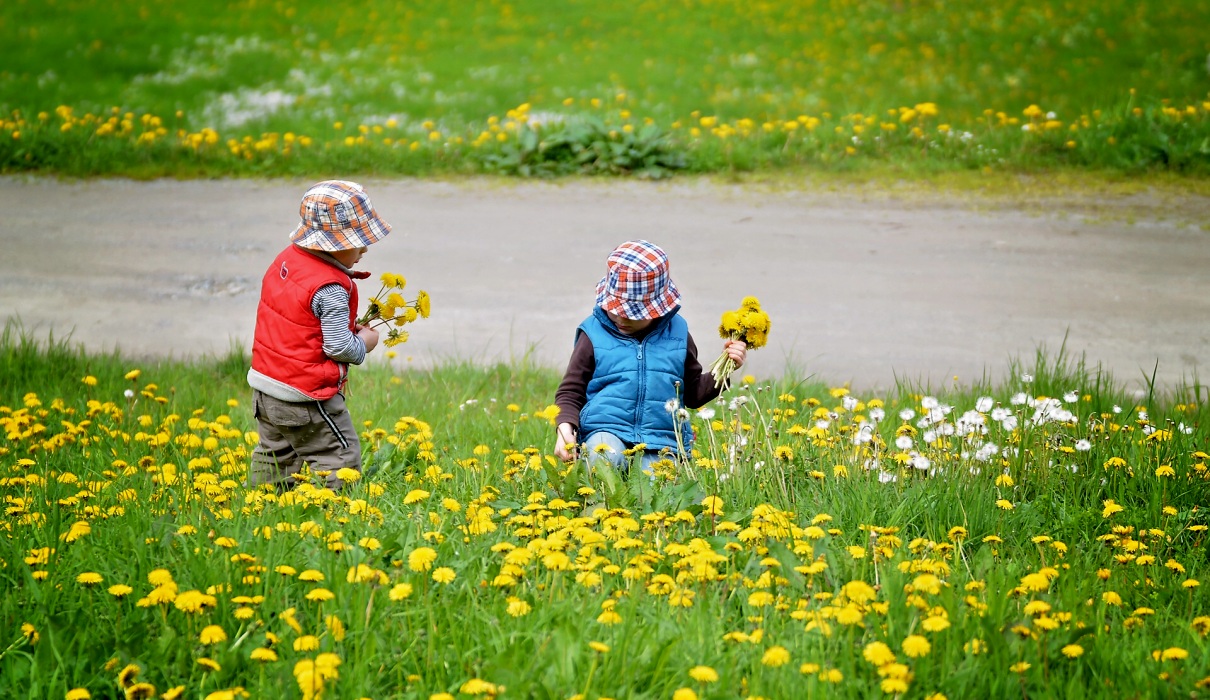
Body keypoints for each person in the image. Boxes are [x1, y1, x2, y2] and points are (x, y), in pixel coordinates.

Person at [553, 240, 747, 477]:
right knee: (604, 460)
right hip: (604, 430)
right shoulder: (593, 333)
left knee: (659, 483)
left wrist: (726, 369)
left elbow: (693, 394)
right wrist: (565, 428)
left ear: (657, 309)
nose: (621, 318)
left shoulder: (677, 335)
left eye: (632, 314)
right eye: (616, 309)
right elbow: (571, 391)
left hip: (660, 439)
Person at [247, 180, 393, 491]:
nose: (365, 249)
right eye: (358, 242)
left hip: (266, 385)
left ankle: (259, 505)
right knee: (340, 455)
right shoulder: (330, 288)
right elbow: (338, 346)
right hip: (305, 395)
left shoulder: (286, 261)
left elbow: (299, 319)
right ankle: (338, 515)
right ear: (333, 244)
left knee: (274, 456)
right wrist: (364, 343)